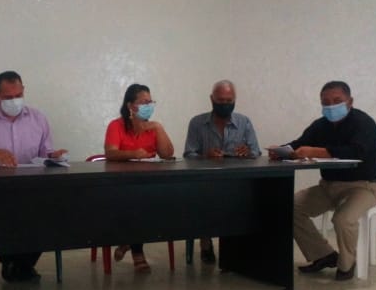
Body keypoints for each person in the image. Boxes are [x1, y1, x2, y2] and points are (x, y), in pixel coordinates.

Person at [267, 80, 376, 281]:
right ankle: (324, 255)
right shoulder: (320, 125)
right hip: (328, 186)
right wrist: (282, 150)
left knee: (343, 219)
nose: (331, 106)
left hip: (364, 186)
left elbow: (357, 151)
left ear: (350, 101)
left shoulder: (364, 123)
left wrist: (316, 151)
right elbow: (300, 144)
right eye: (325, 102)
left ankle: (347, 264)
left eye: (337, 101)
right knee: (289, 207)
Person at [0, 70, 67, 282]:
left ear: (24, 91)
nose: (14, 101)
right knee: (5, 216)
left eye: (18, 95)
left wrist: (52, 156)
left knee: (49, 211)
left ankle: (20, 264)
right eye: (8, 97)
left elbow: (45, 153)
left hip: (31, 188)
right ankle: (15, 264)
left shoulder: (38, 119)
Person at [183, 79, 260, 264]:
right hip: (205, 181)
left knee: (251, 199)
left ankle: (236, 246)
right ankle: (205, 242)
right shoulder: (197, 123)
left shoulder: (244, 122)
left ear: (234, 100)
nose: (225, 104)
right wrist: (205, 156)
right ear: (212, 99)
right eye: (220, 101)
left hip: (236, 181)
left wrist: (247, 153)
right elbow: (188, 155)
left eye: (229, 101)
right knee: (202, 199)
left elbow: (256, 152)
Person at [104, 83, 175, 272]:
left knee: (152, 202)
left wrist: (158, 127)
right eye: (144, 102)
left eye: (150, 102)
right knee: (136, 203)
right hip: (120, 185)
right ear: (130, 106)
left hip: (147, 184)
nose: (148, 106)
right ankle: (137, 252)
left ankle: (127, 241)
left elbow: (167, 154)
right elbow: (110, 153)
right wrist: (134, 153)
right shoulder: (116, 125)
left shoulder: (152, 127)